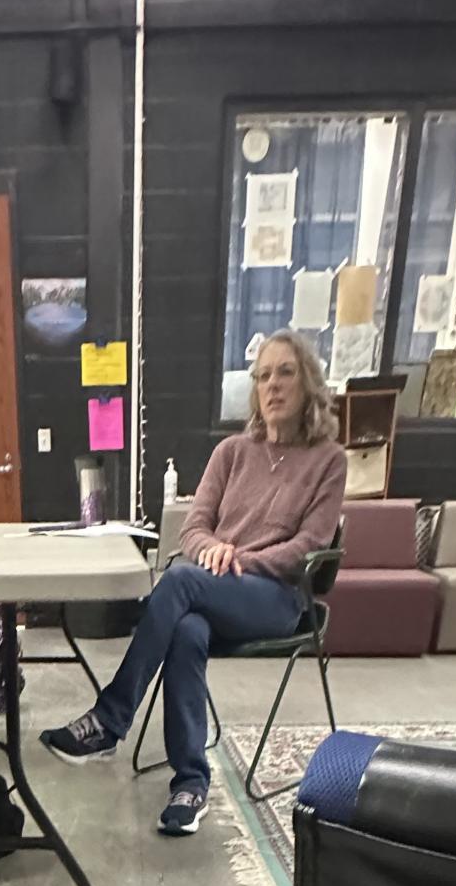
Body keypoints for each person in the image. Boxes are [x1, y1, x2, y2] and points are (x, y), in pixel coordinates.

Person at [40, 330, 348, 837]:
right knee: (186, 631)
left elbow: (310, 545)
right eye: (263, 376)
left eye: (285, 372)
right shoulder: (232, 452)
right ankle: (190, 784)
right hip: (216, 587)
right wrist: (211, 550)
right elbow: (194, 528)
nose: (272, 385)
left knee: (181, 579)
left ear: (309, 382)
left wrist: (238, 558)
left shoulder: (329, 460)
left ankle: (110, 720)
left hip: (275, 597)